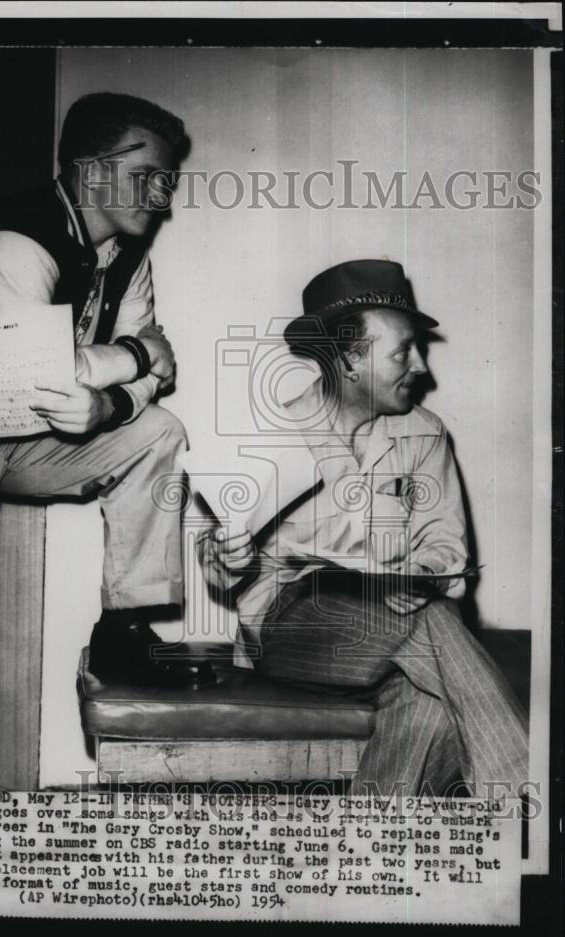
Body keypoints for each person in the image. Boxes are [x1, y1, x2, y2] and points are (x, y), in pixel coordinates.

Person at [0, 92, 196, 789]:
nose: (162, 195)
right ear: (89, 172)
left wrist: (117, 392)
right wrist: (137, 359)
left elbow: (137, 390)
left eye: (167, 178)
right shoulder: (14, 239)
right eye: (148, 176)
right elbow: (57, 380)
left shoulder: (128, 254)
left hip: (10, 434)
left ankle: (125, 626)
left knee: (157, 433)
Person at [197, 259, 529, 797]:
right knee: (431, 622)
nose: (420, 365)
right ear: (349, 358)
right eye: (403, 350)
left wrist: (416, 575)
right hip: (294, 630)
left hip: (401, 622)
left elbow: (447, 547)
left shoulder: (426, 434)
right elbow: (220, 567)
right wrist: (224, 557)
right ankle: (524, 794)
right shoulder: (270, 434)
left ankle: (367, 857)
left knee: (429, 706)